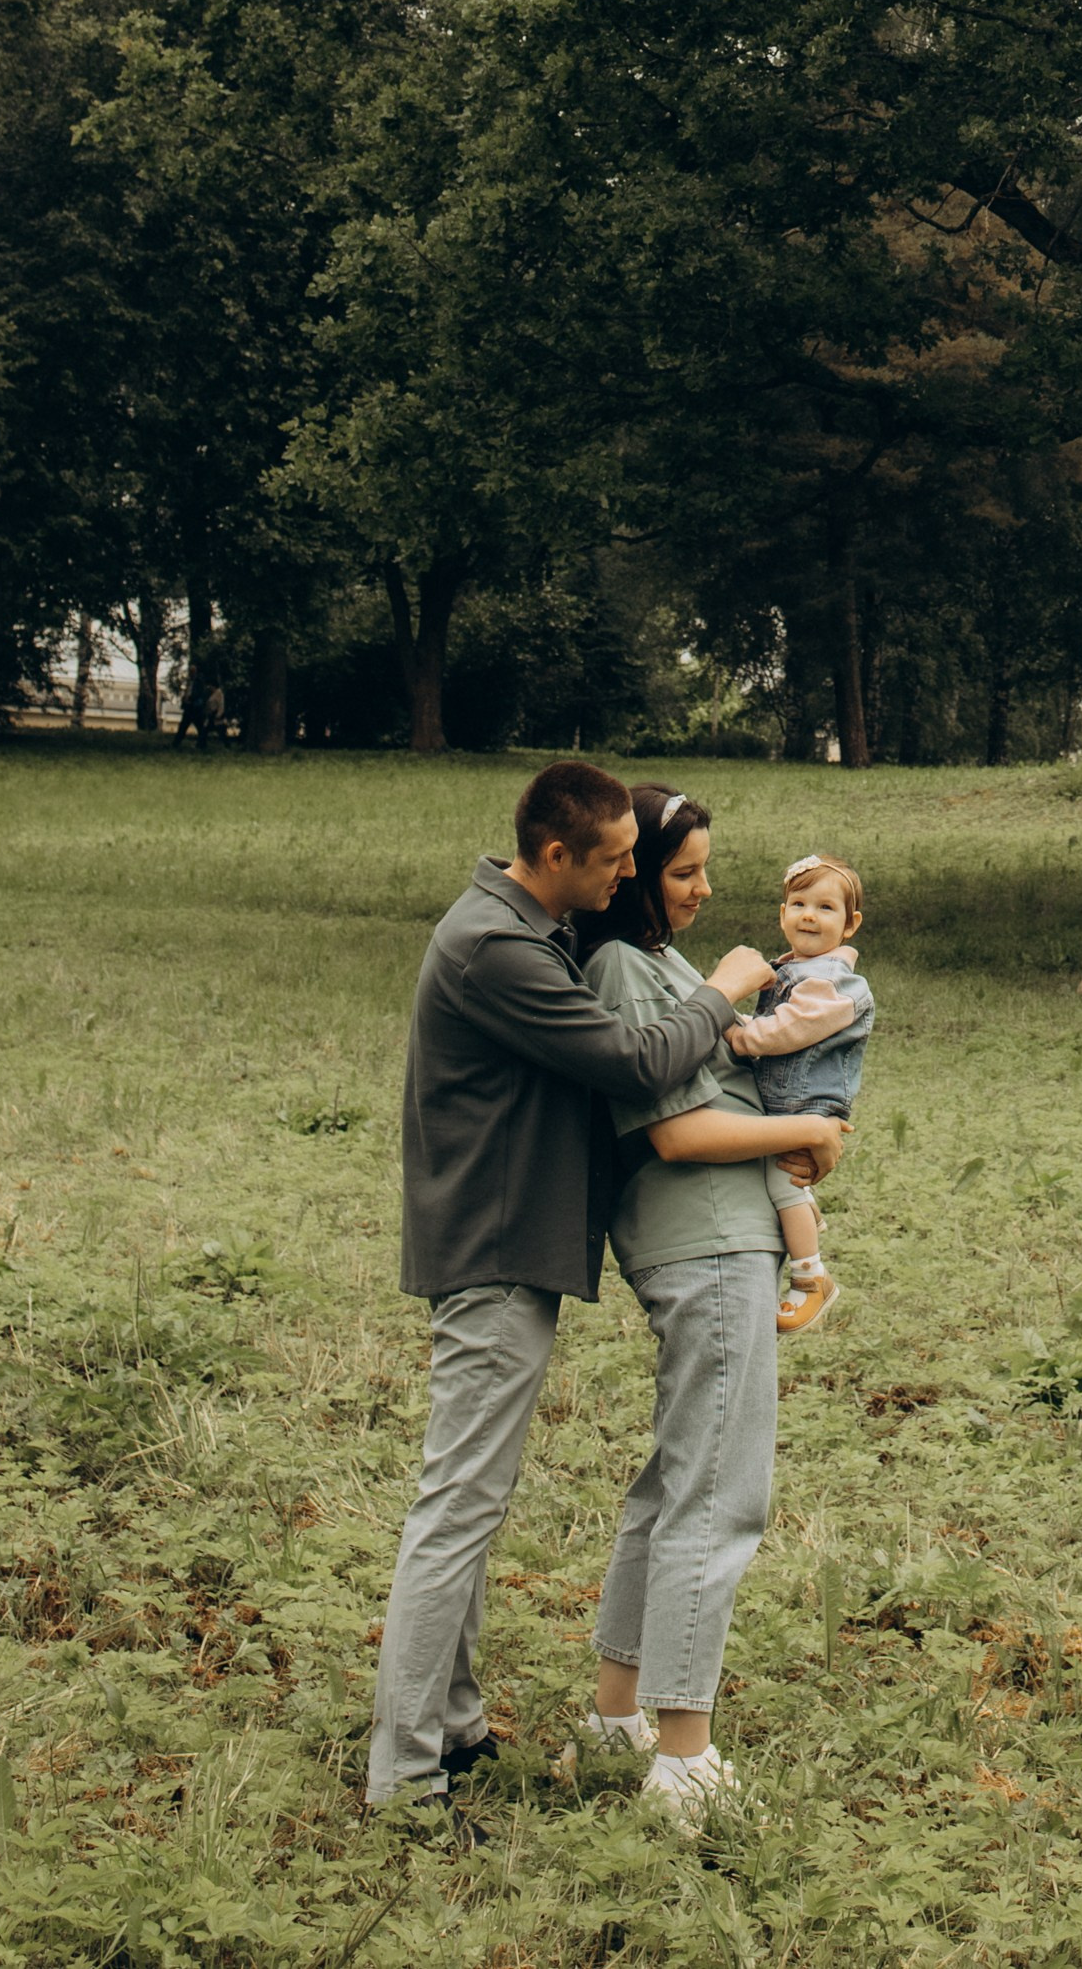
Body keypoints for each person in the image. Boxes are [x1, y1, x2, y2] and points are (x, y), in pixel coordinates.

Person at [366, 759, 783, 1812]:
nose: (627, 877)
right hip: (493, 1248)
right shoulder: (494, 947)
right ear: (555, 852)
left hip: (513, 1245)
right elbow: (637, 1063)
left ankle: (453, 1728)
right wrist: (722, 987)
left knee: (472, 1498)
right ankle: (406, 1772)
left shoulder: (525, 931)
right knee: (456, 1502)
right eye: (614, 860)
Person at [578, 789, 849, 1822]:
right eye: (684, 871)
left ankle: (616, 1720)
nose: (701, 888)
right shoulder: (624, 966)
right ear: (635, 873)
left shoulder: (661, 967)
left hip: (720, 1236)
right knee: (718, 1494)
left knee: (672, 1478)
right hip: (709, 1242)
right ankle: (682, 1757)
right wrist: (809, 1142)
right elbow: (676, 1131)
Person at [721, 851, 873, 1335]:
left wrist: (732, 1028)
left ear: (850, 925)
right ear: (782, 913)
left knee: (781, 1184)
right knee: (784, 1185)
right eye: (799, 903)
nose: (810, 914)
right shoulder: (794, 970)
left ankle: (811, 1278)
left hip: (806, 1104)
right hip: (789, 1100)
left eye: (826, 908)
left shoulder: (830, 984)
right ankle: (803, 1213)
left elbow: (785, 1031)